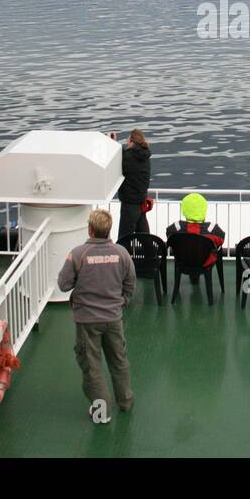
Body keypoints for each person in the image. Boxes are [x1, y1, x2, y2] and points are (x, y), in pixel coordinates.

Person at [56, 209, 136, 423]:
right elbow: (130, 284)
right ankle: (125, 402)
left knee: (92, 367)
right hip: (113, 318)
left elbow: (63, 285)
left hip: (87, 321)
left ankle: (101, 413)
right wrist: (121, 303)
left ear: (90, 229)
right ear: (108, 229)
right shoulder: (121, 253)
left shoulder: (77, 254)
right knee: (119, 360)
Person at [165, 192, 226, 282]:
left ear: (184, 209)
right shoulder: (213, 229)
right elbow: (221, 241)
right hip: (204, 263)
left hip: (182, 262)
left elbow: (169, 237)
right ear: (204, 209)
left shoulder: (175, 228)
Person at [114, 128, 152, 241]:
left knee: (124, 239)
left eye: (127, 140)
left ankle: (124, 258)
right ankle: (149, 257)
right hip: (141, 202)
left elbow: (119, 159)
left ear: (131, 141)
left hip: (129, 204)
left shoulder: (128, 156)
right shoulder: (145, 156)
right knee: (144, 238)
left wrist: (113, 143)